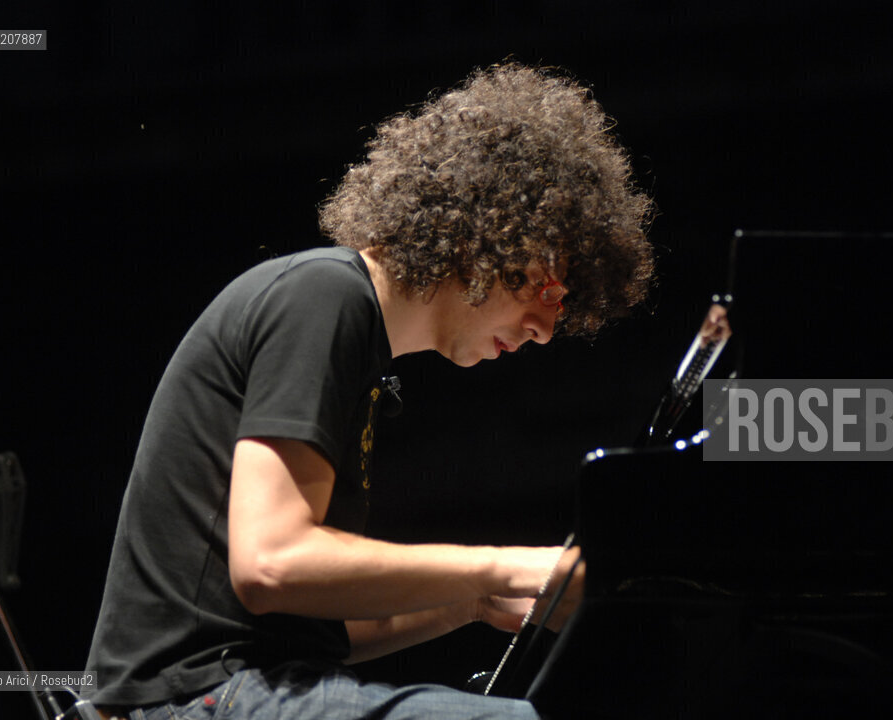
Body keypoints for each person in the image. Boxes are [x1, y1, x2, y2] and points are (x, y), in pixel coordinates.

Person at [85, 63, 655, 720]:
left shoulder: (358, 347)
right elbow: (271, 565)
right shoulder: (322, 295)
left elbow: (305, 628)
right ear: (492, 232)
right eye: (548, 289)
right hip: (189, 699)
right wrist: (509, 566)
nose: (547, 329)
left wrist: (466, 605)